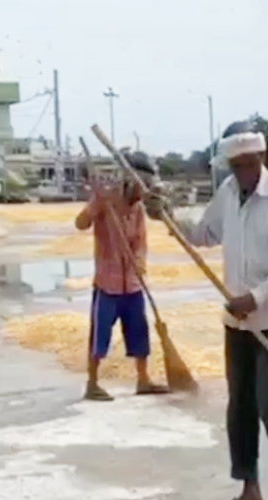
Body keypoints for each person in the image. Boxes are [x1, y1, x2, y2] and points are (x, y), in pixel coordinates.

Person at [173, 121, 268, 500]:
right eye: (234, 166)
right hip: (235, 325)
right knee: (240, 409)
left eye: (246, 165)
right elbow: (204, 234)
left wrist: (257, 297)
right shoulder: (229, 194)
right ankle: (249, 492)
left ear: (261, 160)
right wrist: (166, 211)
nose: (240, 173)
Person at [74, 151, 170, 402]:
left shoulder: (137, 209)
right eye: (142, 186)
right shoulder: (107, 199)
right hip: (108, 283)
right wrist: (97, 203)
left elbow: (140, 242)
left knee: (140, 331)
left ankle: (143, 379)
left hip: (133, 284)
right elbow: (81, 224)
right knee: (100, 334)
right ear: (131, 181)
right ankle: (92, 383)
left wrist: (139, 263)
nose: (144, 193)